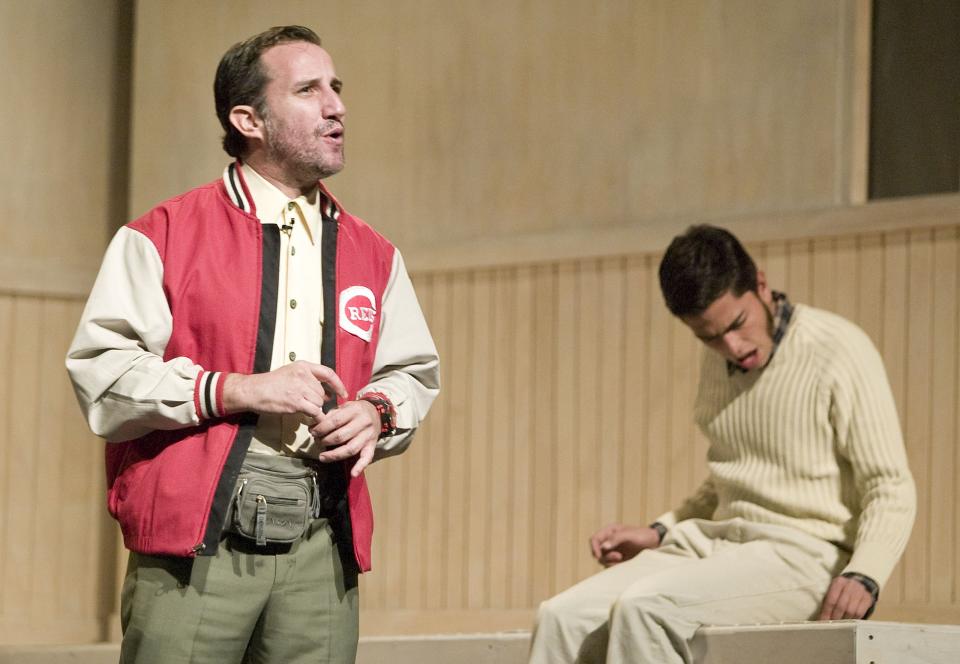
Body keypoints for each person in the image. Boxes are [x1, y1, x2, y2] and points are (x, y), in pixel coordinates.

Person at [66, 25, 440, 664]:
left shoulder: (374, 254)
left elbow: (413, 372)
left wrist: (377, 412)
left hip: (324, 542)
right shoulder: (163, 234)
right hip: (198, 545)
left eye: (337, 88)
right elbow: (102, 372)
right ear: (248, 119)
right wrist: (233, 387)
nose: (337, 106)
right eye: (309, 89)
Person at [528, 225, 915, 664]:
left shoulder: (838, 349)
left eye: (737, 324)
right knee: (561, 617)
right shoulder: (718, 362)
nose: (731, 347)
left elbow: (889, 485)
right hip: (718, 545)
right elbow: (729, 477)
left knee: (647, 611)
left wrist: (865, 574)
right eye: (709, 336)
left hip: (805, 555)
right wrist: (659, 531)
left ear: (762, 285)